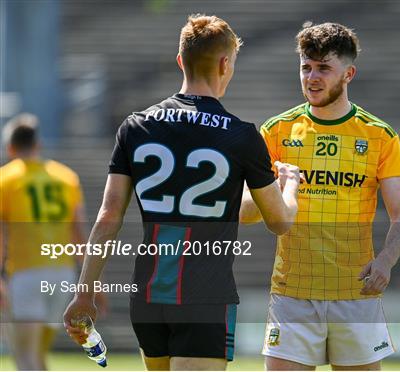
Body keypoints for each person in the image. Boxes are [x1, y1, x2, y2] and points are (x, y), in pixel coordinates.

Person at [63, 14, 301, 371]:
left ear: (180, 61)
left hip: (148, 294)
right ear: (224, 64)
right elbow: (279, 221)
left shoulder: (136, 126)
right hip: (205, 295)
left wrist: (84, 293)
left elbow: (108, 217)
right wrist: (291, 183)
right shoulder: (240, 135)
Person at [240, 22, 400, 370]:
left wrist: (386, 260)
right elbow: (244, 213)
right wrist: (279, 188)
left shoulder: (379, 135)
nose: (312, 77)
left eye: (323, 68)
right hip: (292, 293)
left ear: (348, 73)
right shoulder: (276, 131)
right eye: (306, 67)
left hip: (355, 293)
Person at [0, 113, 89, 370]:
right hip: (63, 274)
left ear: (10, 148)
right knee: (37, 356)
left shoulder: (6, 178)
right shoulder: (66, 177)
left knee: (24, 357)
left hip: (26, 275)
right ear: (38, 144)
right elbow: (79, 233)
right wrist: (92, 282)